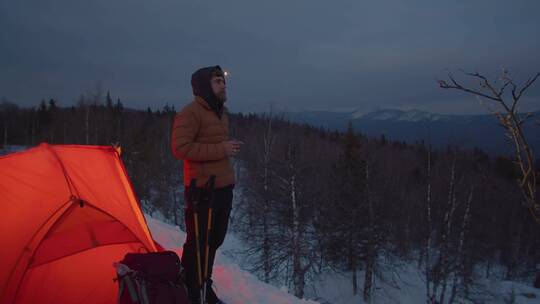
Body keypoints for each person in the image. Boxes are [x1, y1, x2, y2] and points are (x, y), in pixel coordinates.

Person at [171, 65, 241, 304]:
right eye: (217, 81)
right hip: (202, 190)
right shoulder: (190, 113)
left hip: (223, 188)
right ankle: (192, 289)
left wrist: (225, 150)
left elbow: (213, 146)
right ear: (204, 86)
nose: (223, 84)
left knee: (214, 240)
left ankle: (203, 282)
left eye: (223, 81)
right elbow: (180, 148)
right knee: (198, 242)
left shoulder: (221, 113)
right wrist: (220, 149)